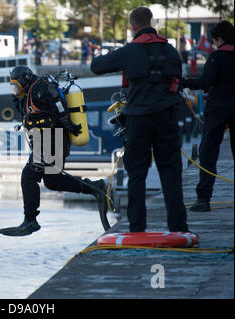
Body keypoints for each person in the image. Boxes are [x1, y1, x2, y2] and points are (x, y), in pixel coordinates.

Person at [90, 7, 189, 233]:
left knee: (137, 173)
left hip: (138, 118)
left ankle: (137, 228)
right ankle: (179, 226)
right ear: (151, 22)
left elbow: (96, 66)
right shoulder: (171, 51)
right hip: (166, 117)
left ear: (133, 25)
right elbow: (178, 82)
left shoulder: (131, 51)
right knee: (171, 171)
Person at [9, 65, 108, 235]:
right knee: (53, 181)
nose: (14, 89)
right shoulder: (24, 94)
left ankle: (30, 220)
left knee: (29, 176)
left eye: (15, 85)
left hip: (52, 136)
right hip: (44, 138)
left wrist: (67, 123)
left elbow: (58, 105)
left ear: (24, 81)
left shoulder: (40, 88)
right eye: (12, 85)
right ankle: (96, 188)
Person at [181, 20, 234, 211]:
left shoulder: (216, 57)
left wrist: (184, 82)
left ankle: (203, 199)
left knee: (208, 155)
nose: (214, 44)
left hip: (217, 111)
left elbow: (205, 82)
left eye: (214, 40)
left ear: (219, 39)